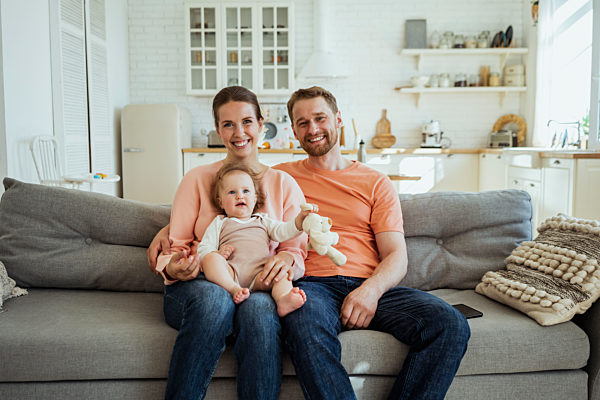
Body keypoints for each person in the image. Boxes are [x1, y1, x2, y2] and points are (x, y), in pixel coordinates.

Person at [149, 86, 471, 399]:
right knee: (294, 325)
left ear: (338, 120)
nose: (313, 129)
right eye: (303, 122)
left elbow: (390, 256)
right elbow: (218, 223)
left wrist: (367, 290)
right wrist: (166, 237)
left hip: (351, 282)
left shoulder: (344, 182)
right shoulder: (267, 177)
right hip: (306, 286)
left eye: (320, 119)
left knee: (450, 325)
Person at [151, 85, 307, 400]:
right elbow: (176, 246)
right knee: (215, 300)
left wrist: (285, 262)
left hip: (258, 283)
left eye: (247, 122)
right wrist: (176, 268)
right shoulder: (196, 179)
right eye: (228, 124)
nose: (239, 132)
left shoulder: (283, 185)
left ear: (262, 124)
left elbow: (295, 249)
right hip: (198, 286)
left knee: (261, 311)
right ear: (219, 131)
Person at [199, 163, 310, 316]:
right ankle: (233, 289)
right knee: (210, 259)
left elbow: (283, 231)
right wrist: (217, 254)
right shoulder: (220, 222)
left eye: (246, 191)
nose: (240, 196)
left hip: (260, 274)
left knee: (281, 273)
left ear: (255, 197)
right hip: (231, 273)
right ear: (220, 202)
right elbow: (204, 248)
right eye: (232, 192)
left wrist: (298, 222)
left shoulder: (263, 220)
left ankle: (283, 299)